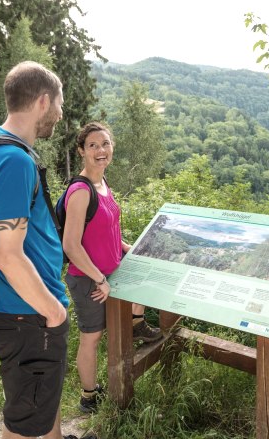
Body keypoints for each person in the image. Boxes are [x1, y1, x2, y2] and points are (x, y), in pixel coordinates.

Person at [0, 61, 95, 439]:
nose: (60, 113)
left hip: (21, 310)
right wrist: (53, 311)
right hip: (26, 313)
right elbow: (9, 255)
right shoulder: (13, 161)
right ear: (43, 101)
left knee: (42, 401)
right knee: (24, 423)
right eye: (59, 104)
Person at [62, 121, 162, 414]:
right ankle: (88, 396)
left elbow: (109, 234)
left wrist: (135, 251)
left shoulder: (102, 184)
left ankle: (135, 321)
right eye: (92, 145)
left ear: (112, 148)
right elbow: (71, 245)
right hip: (88, 279)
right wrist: (99, 279)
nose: (100, 150)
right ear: (81, 151)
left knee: (144, 271)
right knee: (92, 338)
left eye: (105, 144)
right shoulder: (81, 191)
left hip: (110, 272)